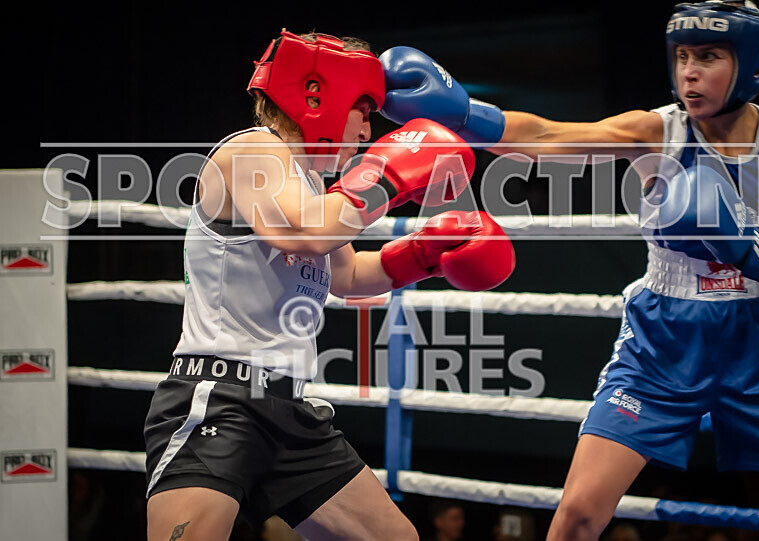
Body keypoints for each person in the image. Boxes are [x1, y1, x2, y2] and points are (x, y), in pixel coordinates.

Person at [375, 2, 759, 540]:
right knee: (576, 516)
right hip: (664, 342)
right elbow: (547, 138)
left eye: (710, 56)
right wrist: (461, 114)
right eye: (683, 55)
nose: (689, 71)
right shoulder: (655, 132)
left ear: (754, 64)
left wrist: (742, 244)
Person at [143, 30, 516, 541]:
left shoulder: (312, 184)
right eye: (363, 111)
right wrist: (385, 174)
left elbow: (349, 277)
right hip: (218, 399)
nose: (366, 132)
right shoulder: (252, 152)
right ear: (319, 95)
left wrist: (428, 252)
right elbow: (304, 233)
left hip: (289, 411)